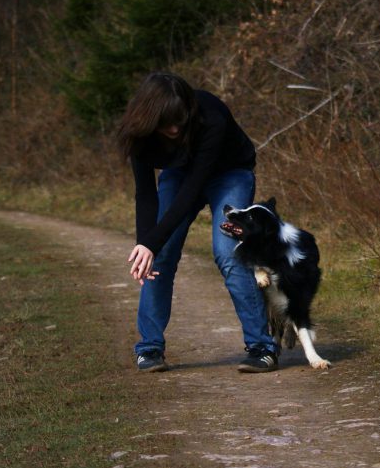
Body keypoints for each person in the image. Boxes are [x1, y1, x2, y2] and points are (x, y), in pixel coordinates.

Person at [117, 72, 278, 373]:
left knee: (228, 251)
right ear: (150, 118)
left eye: (180, 120)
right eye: (167, 124)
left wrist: (152, 240)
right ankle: (149, 348)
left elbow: (195, 186)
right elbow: (145, 194)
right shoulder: (140, 133)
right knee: (160, 255)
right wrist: (146, 243)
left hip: (229, 172)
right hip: (178, 174)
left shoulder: (210, 115)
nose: (175, 128)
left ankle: (262, 347)